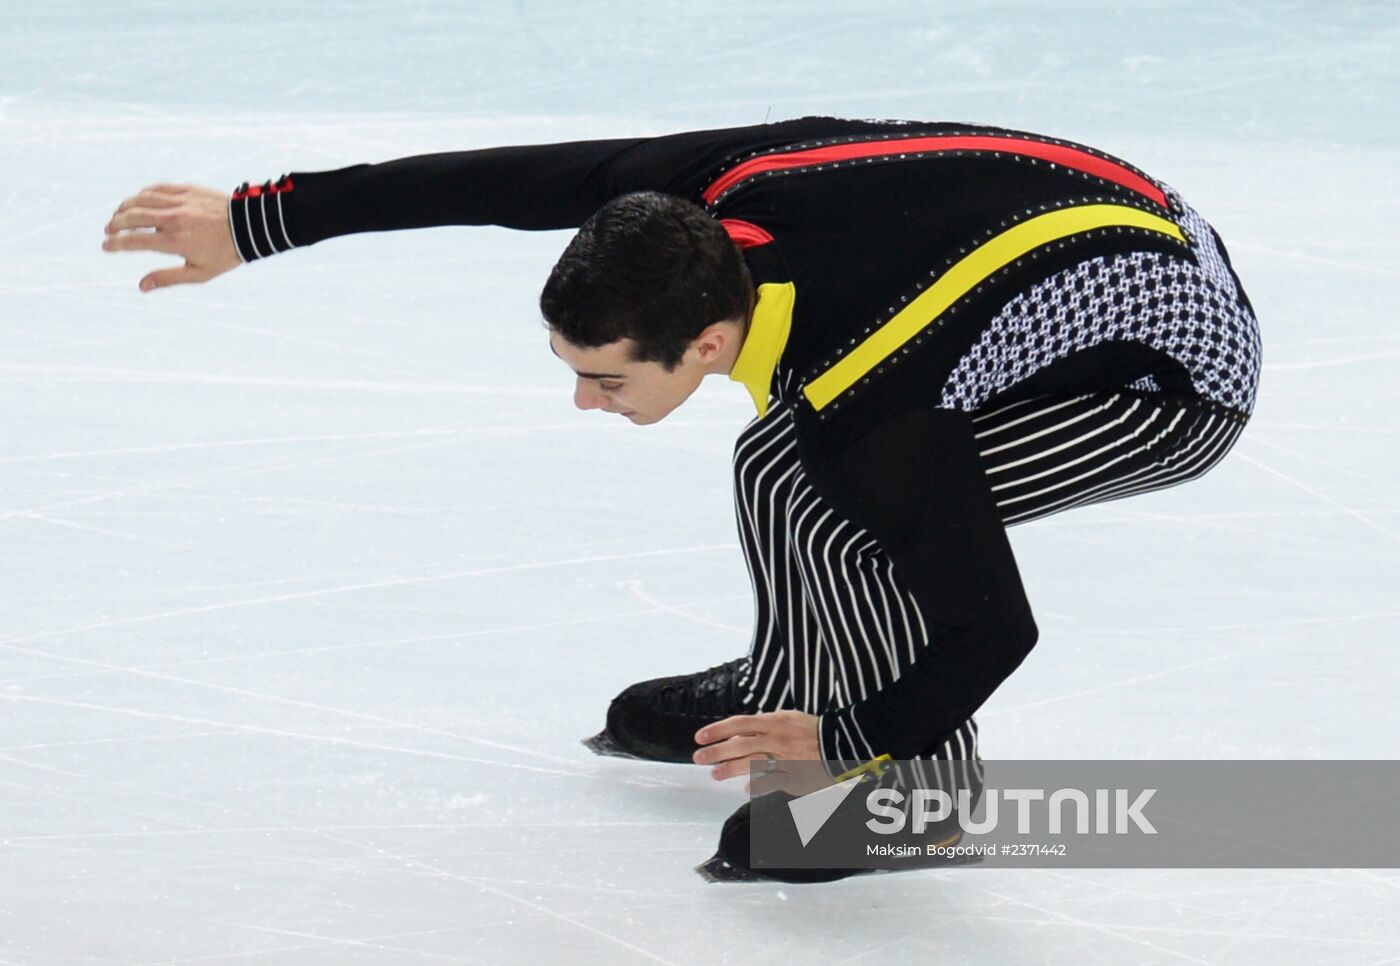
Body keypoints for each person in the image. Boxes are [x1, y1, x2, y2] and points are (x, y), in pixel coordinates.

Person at [103, 116, 1261, 881]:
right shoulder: (690, 206)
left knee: (812, 481)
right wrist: (265, 219)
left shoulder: (874, 386)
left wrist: (857, 732)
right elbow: (506, 181)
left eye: (605, 379)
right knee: (795, 462)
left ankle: (913, 792)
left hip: (1164, 372)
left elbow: (988, 625)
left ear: (706, 340)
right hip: (1062, 255)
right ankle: (807, 673)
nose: (585, 402)